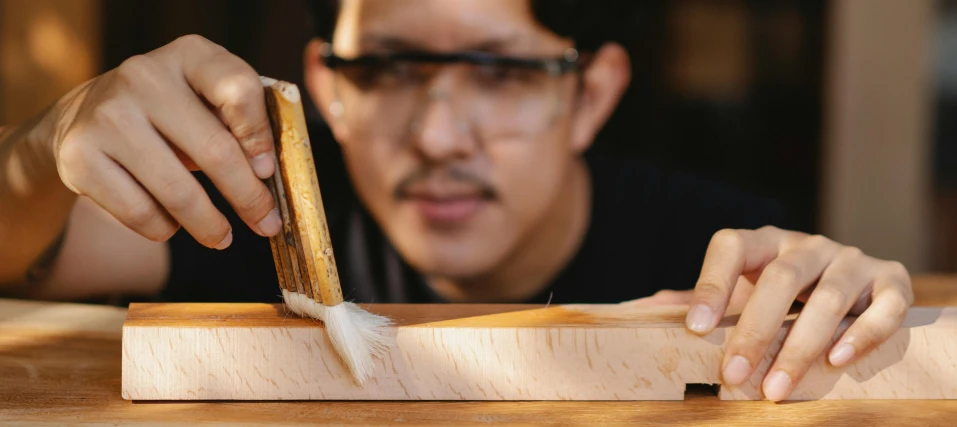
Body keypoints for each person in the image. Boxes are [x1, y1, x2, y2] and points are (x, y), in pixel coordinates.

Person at [0, 0, 913, 402]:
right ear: (329, 88)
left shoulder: (704, 248)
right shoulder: (243, 213)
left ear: (588, 95)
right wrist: (38, 156)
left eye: (500, 74)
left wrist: (848, 317)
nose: (439, 136)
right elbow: (22, 252)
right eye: (390, 68)